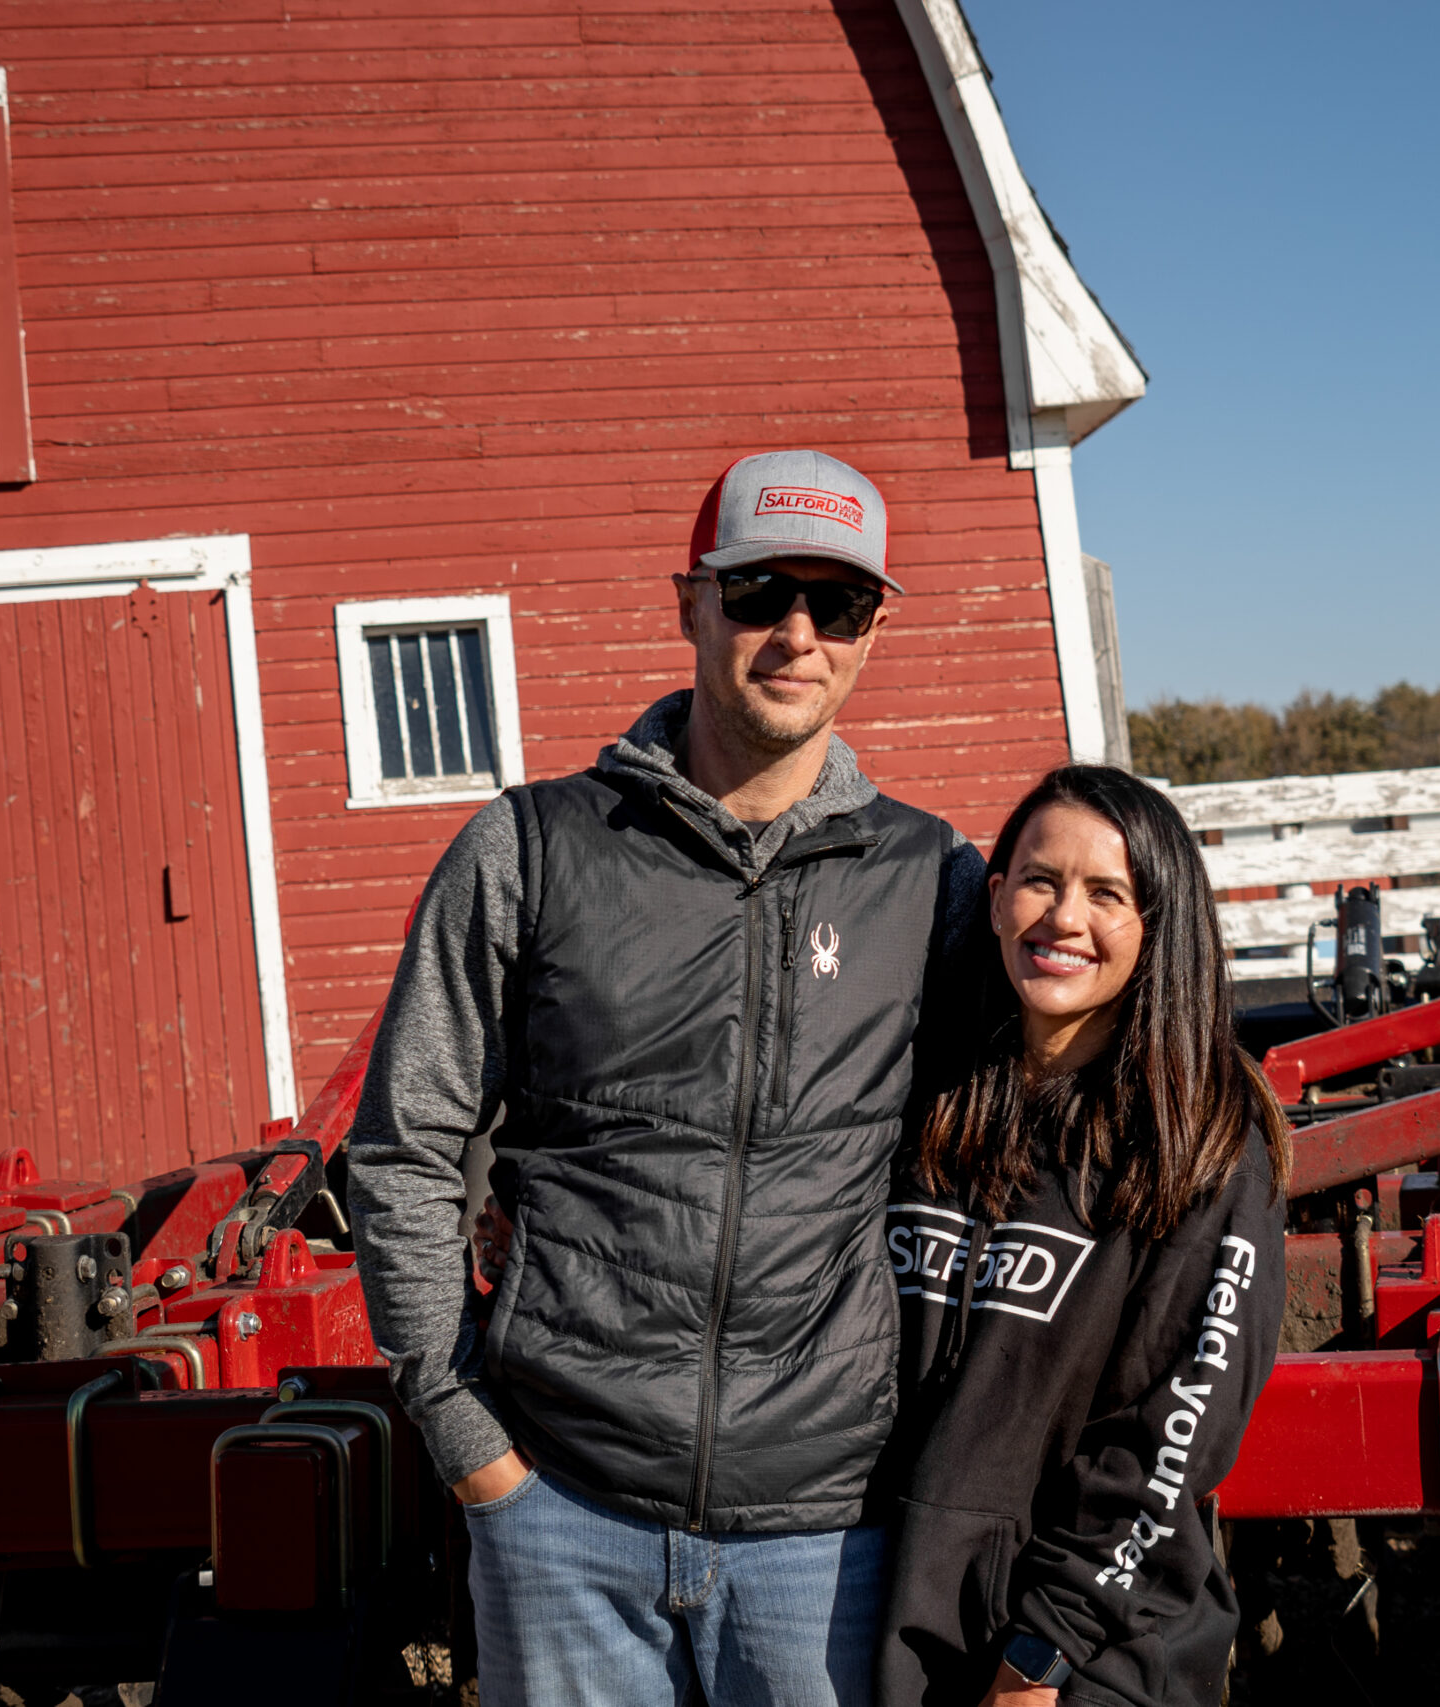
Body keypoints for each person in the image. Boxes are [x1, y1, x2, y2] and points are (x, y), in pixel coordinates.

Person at [348, 448, 986, 1707]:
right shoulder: (530, 848)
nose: (795, 633)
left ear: (870, 631)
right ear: (688, 601)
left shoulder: (930, 879)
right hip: (563, 1516)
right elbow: (405, 1144)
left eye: (838, 604)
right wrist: (471, 1441)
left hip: (828, 1534)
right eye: (757, 593)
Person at [872, 765, 1290, 1707]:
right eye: (1039, 880)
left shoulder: (1203, 1145)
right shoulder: (928, 1106)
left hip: (1084, 1660)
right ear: (992, 899)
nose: (1063, 917)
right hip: (900, 1622)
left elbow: (1165, 1444)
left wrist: (1040, 1657)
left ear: (1157, 925)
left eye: (1107, 893)